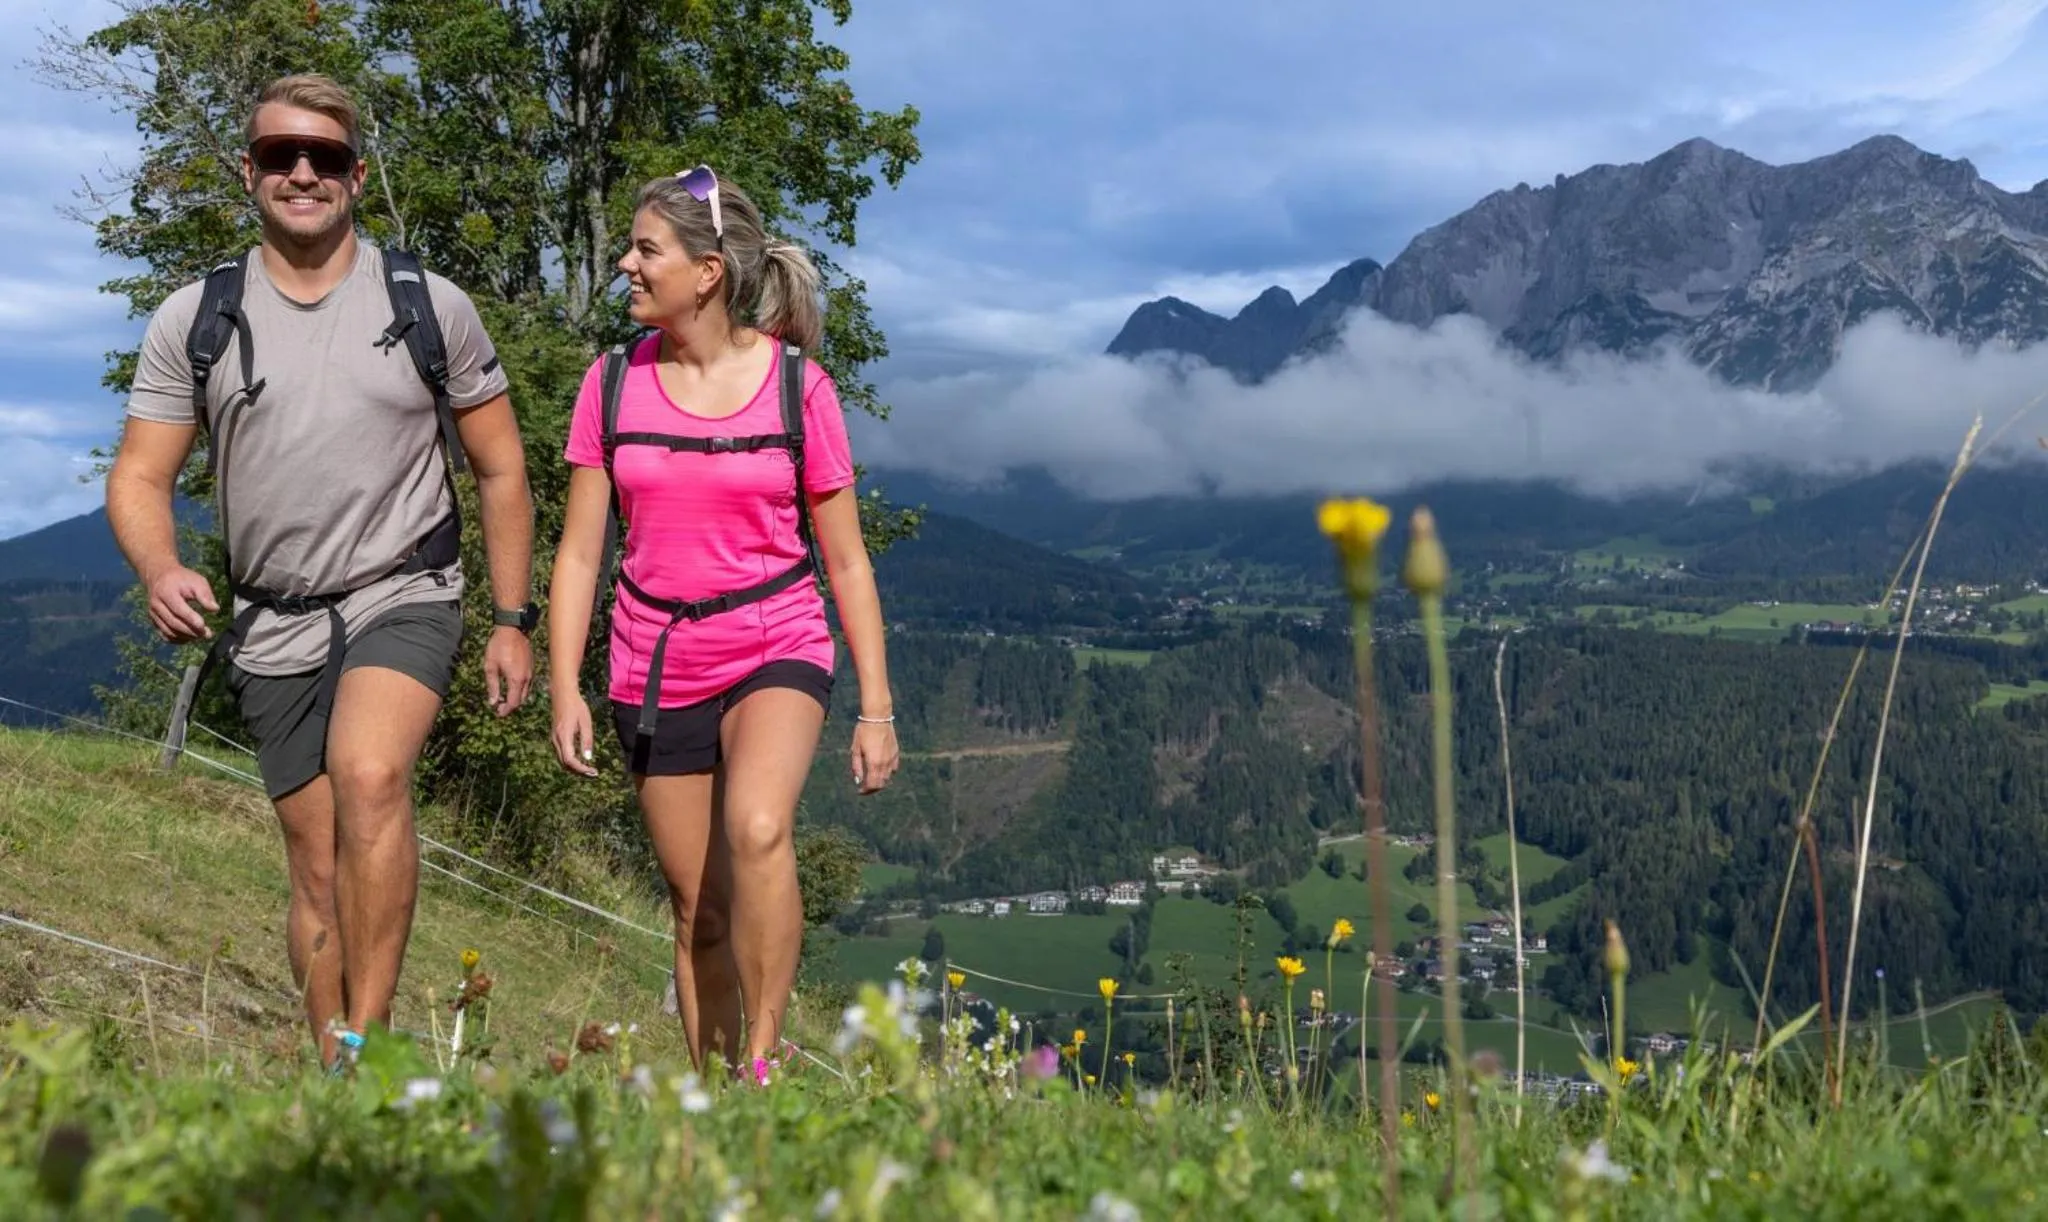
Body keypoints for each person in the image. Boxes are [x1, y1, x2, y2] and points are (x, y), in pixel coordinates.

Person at [106, 74, 538, 1071]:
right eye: (279, 156)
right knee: (313, 869)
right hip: (269, 620)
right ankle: (333, 1073)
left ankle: (371, 1045)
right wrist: (159, 564)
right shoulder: (197, 317)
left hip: (405, 587)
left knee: (372, 776)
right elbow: (138, 475)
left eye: (327, 158)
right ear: (249, 171)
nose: (302, 173)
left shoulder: (429, 305)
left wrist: (510, 618)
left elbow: (501, 466)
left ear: (355, 172)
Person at [547, 165, 899, 1083]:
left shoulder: (798, 389)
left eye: (645, 250)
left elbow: (847, 561)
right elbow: (581, 553)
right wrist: (563, 686)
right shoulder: (612, 384)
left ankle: (763, 1062)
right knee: (696, 907)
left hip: (775, 639)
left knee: (755, 829)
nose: (625, 263)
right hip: (652, 662)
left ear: (706, 273)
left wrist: (877, 707)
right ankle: (712, 1097)